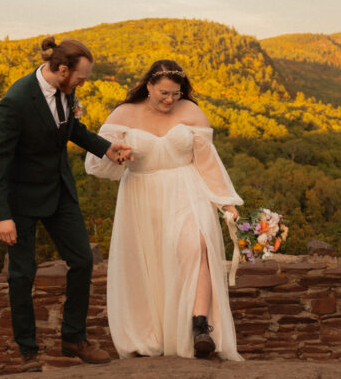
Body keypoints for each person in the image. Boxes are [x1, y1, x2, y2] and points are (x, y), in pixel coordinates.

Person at [0, 37, 133, 372]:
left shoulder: (66, 90)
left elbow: (69, 128)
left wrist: (106, 148)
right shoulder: (16, 100)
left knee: (82, 260)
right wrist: (1, 215)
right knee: (22, 275)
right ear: (62, 69)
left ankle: (73, 338)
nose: (84, 82)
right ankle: (28, 353)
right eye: (81, 76)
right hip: (19, 200)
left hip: (59, 192)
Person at [86, 60, 244, 361]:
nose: (171, 100)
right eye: (164, 93)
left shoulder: (192, 112)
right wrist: (117, 154)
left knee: (197, 246)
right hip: (140, 195)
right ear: (148, 86)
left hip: (187, 188)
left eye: (176, 93)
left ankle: (200, 327)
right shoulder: (124, 114)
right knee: (148, 263)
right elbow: (96, 163)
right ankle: (151, 335)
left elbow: (208, 163)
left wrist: (226, 203)